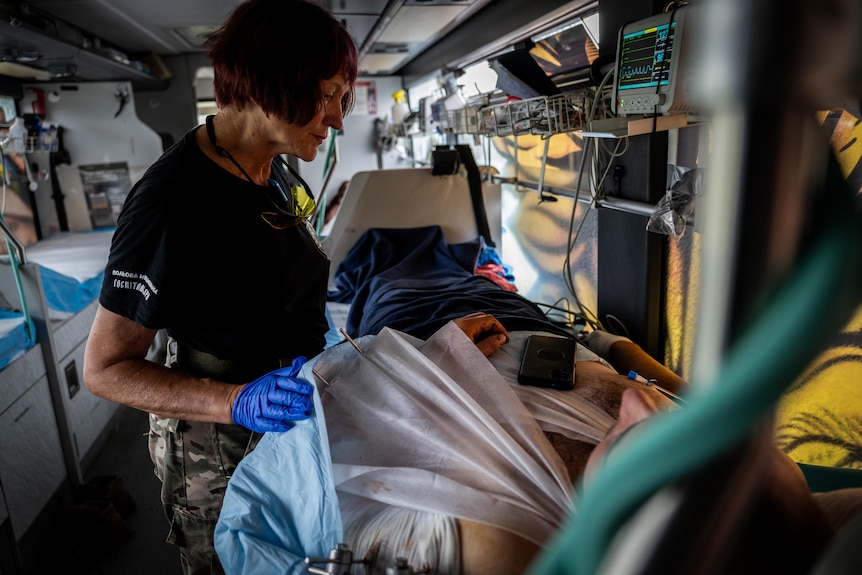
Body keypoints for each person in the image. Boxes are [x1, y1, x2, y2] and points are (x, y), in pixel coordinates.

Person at [81, 1, 369, 573]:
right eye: (328, 96)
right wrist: (236, 401)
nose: (337, 119)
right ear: (272, 83)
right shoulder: (173, 202)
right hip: (217, 446)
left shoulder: (274, 167)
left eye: (342, 99)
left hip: (287, 414)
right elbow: (104, 369)